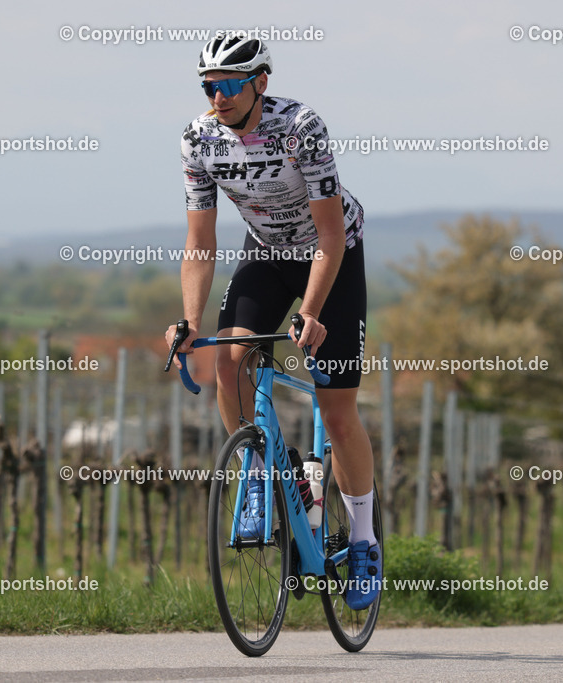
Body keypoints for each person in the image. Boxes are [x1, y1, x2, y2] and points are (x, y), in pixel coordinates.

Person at [166, 35, 380, 609]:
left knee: (337, 411)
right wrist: (188, 322)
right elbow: (199, 243)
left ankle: (362, 537)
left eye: (231, 83)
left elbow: (331, 234)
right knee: (228, 361)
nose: (218, 96)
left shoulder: (301, 127)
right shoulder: (199, 139)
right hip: (266, 252)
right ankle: (260, 470)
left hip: (330, 253)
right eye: (209, 85)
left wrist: (310, 313)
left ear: (260, 81)